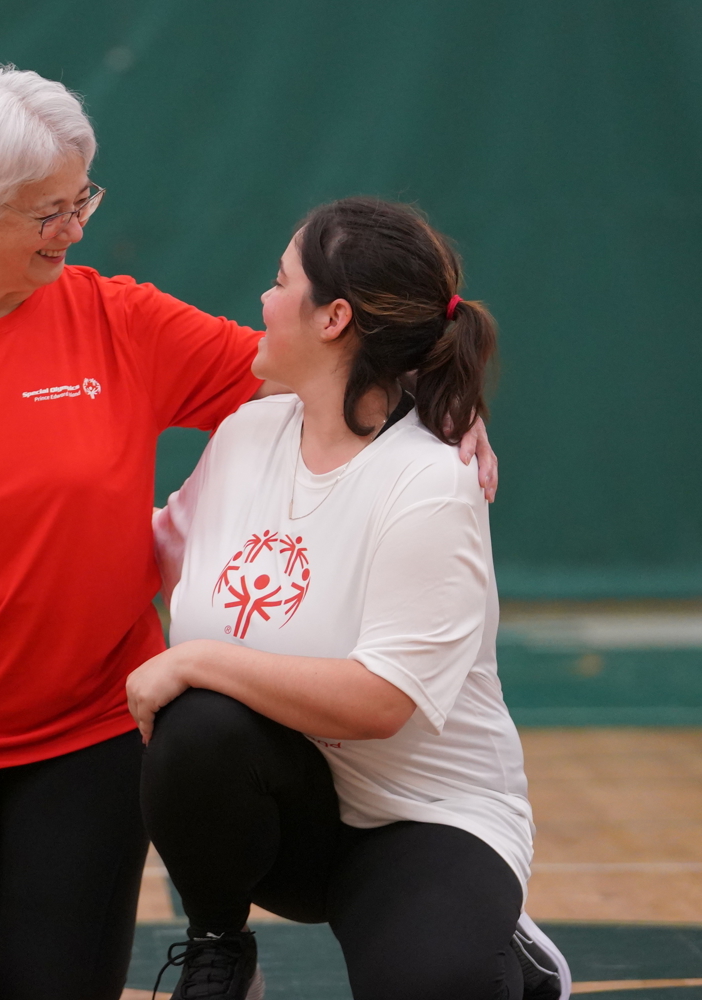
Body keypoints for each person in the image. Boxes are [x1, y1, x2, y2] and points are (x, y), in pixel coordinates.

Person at [0, 66, 499, 1000]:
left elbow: (315, 365)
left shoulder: (117, 321)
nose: (75, 226)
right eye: (48, 212)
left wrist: (440, 411)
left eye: (82, 194)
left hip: (86, 740)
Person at [129, 198, 568, 1000]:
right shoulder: (245, 436)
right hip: (298, 813)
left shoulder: (430, 482)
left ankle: (513, 957)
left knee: (432, 984)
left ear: (334, 317)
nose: (261, 300)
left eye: (279, 280)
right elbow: (158, 555)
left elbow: (378, 703)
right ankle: (220, 950)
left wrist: (196, 658)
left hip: (425, 817)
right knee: (199, 728)